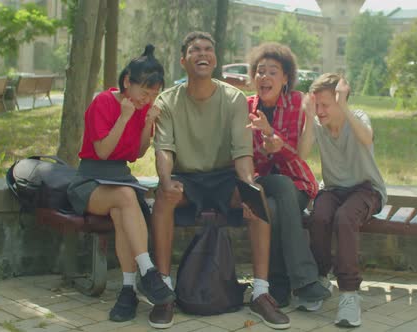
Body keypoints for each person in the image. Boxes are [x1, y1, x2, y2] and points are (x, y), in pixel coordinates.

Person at [150, 31, 290, 330]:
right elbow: (164, 150)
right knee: (163, 196)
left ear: (214, 58)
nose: (203, 53)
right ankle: (163, 292)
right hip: (187, 177)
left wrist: (248, 187)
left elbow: (242, 153)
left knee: (257, 195)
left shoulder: (234, 99)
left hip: (224, 177)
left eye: (208, 49)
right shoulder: (167, 101)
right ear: (183, 60)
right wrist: (165, 181)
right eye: (195, 50)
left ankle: (261, 292)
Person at [66, 45, 175, 324]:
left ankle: (128, 289)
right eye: (144, 92)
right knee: (126, 196)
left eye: (154, 94)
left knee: (122, 209)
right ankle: (148, 271)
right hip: (90, 181)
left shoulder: (143, 109)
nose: (148, 99)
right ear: (128, 81)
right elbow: (102, 151)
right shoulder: (102, 103)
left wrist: (147, 125)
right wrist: (125, 116)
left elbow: (136, 154)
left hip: (119, 180)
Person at [245, 42, 331, 311]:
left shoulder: (295, 102)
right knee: (274, 190)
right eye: (260, 71)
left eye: (273, 72)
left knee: (272, 208)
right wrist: (265, 144)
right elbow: (246, 157)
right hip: (262, 181)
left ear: (285, 79)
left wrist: (275, 141)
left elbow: (298, 155)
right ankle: (305, 280)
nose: (265, 77)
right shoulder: (246, 107)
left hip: (296, 182)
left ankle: (278, 287)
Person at [298, 73, 387, 328]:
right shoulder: (316, 123)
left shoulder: (357, 118)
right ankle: (320, 279)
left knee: (345, 218)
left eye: (326, 104)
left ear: (340, 101)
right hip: (334, 189)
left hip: (366, 189)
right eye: (317, 105)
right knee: (319, 216)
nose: (321, 111)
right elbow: (301, 154)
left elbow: (367, 138)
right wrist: (307, 117)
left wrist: (344, 106)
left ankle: (349, 294)